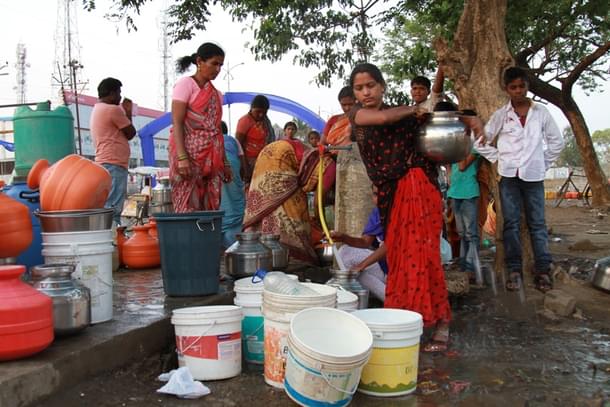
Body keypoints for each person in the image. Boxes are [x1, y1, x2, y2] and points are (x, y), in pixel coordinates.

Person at [349, 62, 451, 351]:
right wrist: (416, 107)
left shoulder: (405, 116)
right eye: (360, 88)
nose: (366, 92)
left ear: (382, 86)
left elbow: (437, 117)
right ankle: (408, 323)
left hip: (419, 191)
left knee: (424, 258)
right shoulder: (358, 115)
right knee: (401, 262)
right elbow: (381, 120)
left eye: (371, 85)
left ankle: (440, 321)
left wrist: (441, 107)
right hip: (391, 196)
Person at [473, 66, 564, 293]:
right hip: (509, 177)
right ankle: (514, 270)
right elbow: (481, 142)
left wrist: (542, 164)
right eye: (513, 87)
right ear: (507, 89)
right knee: (511, 223)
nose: (518, 91)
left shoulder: (541, 112)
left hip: (534, 176)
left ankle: (542, 269)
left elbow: (556, 142)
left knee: (538, 224)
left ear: (527, 86)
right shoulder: (501, 115)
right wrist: (500, 159)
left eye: (521, 86)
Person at [243, 139, 334, 264]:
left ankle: (265, 251)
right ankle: (294, 255)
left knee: (271, 206)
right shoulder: (331, 167)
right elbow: (318, 203)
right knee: (294, 213)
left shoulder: (324, 160)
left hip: (268, 154)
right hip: (278, 160)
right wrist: (323, 227)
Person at [169, 42, 232, 213]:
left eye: (220, 65)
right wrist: (182, 158)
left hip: (212, 159)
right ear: (199, 62)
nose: (218, 69)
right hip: (188, 156)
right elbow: (178, 122)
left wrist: (225, 163)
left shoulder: (217, 94)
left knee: (210, 207)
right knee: (187, 206)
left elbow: (217, 130)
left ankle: (206, 239)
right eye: (214, 63)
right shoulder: (185, 85)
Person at [90, 77, 136, 226]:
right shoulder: (113, 109)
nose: (120, 97)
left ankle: (109, 236)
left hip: (104, 161)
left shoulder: (97, 108)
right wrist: (127, 112)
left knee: (107, 204)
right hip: (114, 162)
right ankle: (113, 240)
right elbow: (130, 133)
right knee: (114, 208)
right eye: (118, 93)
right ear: (111, 93)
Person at [331, 186, 387, 301]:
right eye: (375, 195)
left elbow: (390, 246)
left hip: (401, 271)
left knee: (358, 270)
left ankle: (391, 299)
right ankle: (383, 294)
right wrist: (343, 237)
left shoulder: (399, 212)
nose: (378, 199)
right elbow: (365, 242)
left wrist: (362, 265)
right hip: (384, 267)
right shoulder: (377, 212)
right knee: (345, 252)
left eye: (382, 194)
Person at [235, 95, 275, 184]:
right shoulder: (244, 121)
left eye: (264, 112)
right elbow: (238, 145)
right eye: (258, 111)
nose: (261, 115)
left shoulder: (265, 122)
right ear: (251, 108)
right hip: (248, 163)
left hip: (264, 161)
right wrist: (245, 168)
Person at [219, 121, 246, 248]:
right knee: (235, 203)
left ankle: (222, 239)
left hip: (218, 170)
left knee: (222, 201)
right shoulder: (234, 141)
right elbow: (242, 159)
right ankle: (234, 243)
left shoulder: (212, 141)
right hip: (234, 172)